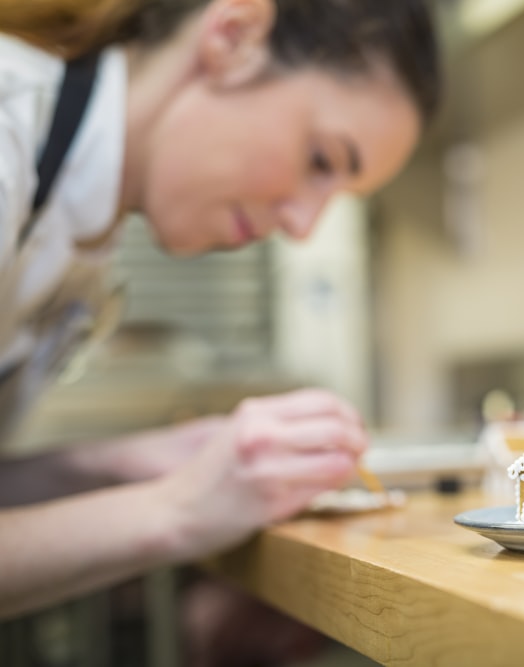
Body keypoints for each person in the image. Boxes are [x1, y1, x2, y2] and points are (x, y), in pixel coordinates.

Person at [0, 0, 440, 655]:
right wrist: (174, 510)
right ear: (232, 36)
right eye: (320, 159)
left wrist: (126, 462)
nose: (302, 225)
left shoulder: (81, 236)